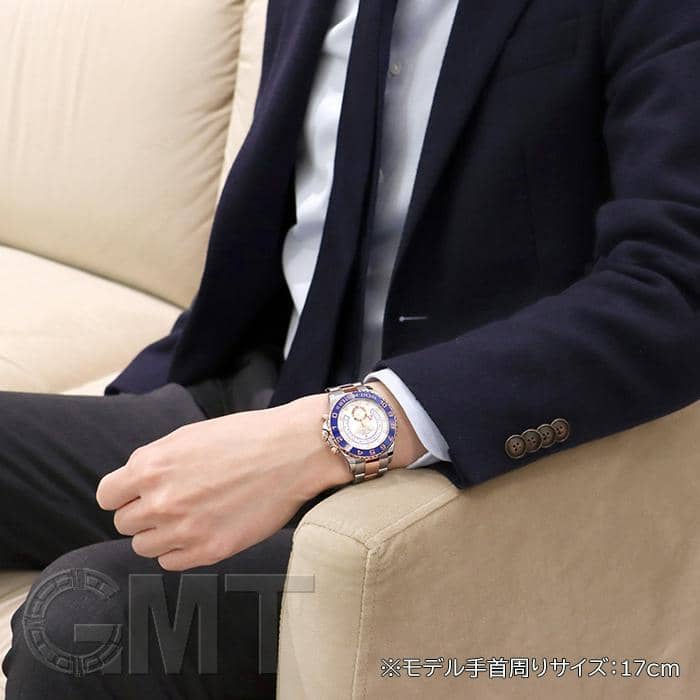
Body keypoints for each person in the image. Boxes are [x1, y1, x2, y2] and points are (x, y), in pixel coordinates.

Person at [3, 0, 700, 697]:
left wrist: (335, 434)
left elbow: (676, 285)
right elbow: (292, 215)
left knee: (88, 620)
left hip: (458, 474)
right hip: (270, 393)